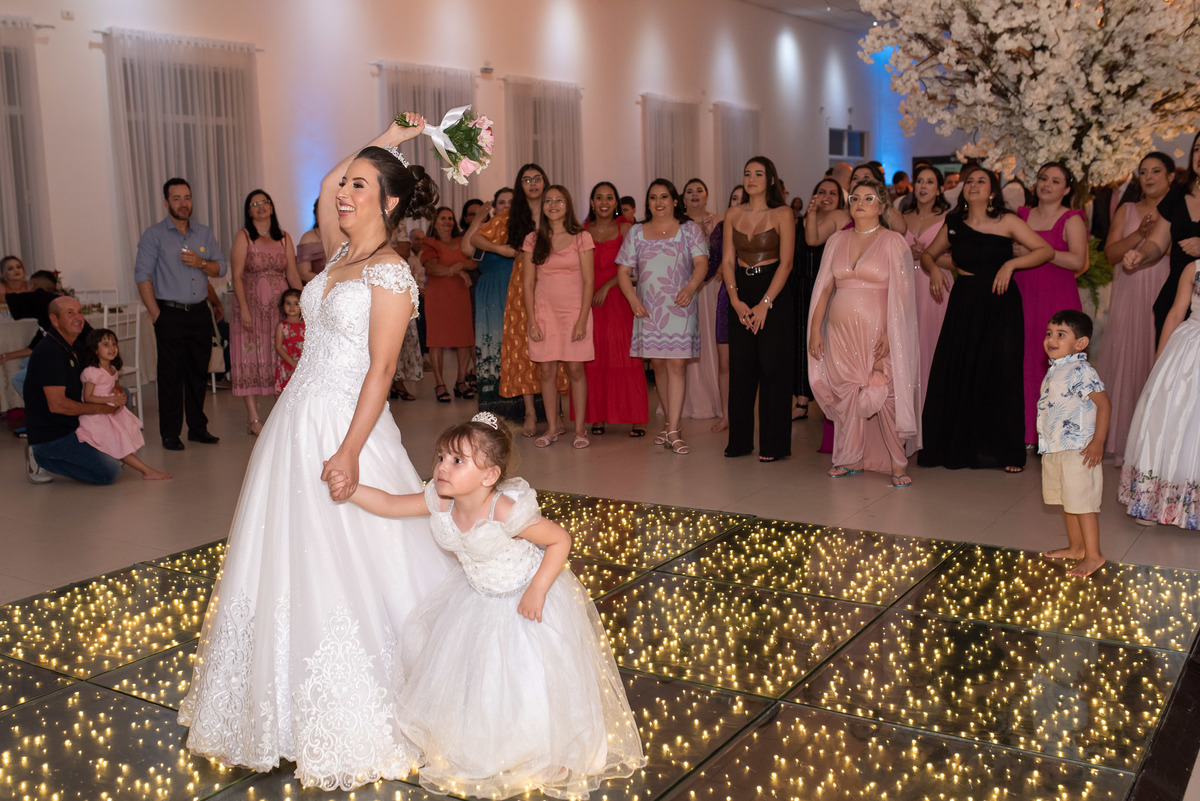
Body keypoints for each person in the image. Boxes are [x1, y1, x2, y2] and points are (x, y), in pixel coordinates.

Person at [178, 116, 456, 791]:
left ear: (387, 203)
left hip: (346, 424)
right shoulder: (336, 257)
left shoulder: (391, 272)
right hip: (295, 421)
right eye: (345, 186)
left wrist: (351, 451)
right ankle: (276, 708)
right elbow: (329, 177)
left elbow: (382, 370)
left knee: (354, 558)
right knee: (284, 557)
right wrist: (389, 133)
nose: (342, 193)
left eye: (360, 187)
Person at [325, 413, 644, 798]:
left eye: (457, 461)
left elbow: (560, 540)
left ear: (489, 476)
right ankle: (487, 740)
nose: (442, 467)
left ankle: (544, 746)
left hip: (526, 599)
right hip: (478, 599)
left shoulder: (505, 510)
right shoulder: (441, 501)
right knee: (483, 677)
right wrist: (351, 489)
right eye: (441, 457)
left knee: (527, 678)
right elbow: (392, 504)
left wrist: (538, 590)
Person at [917, 164, 1053, 472]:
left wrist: (1011, 265)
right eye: (970, 181)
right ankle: (953, 447)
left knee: (1001, 371)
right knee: (959, 369)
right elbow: (927, 254)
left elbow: (1044, 251)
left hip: (1000, 301)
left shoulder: (1007, 220)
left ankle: (1005, 452)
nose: (973, 185)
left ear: (992, 191)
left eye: (982, 181)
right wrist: (936, 268)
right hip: (964, 300)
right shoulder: (953, 222)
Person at [808, 176, 920, 486]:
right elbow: (824, 289)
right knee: (846, 394)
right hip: (839, 332)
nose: (860, 203)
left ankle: (897, 462)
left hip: (878, 330)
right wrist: (815, 330)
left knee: (883, 393)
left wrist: (889, 332)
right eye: (855, 198)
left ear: (883, 206)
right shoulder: (836, 241)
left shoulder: (893, 241)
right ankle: (848, 457)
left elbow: (904, 297)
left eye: (869, 198)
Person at [616, 179, 708, 455]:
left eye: (664, 196)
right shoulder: (636, 232)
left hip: (681, 305)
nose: (658, 202)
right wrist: (632, 300)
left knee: (677, 364)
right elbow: (622, 272)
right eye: (653, 197)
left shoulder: (689, 229)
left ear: (674, 200)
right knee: (658, 364)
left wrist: (691, 288)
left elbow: (701, 263)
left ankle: (674, 430)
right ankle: (670, 422)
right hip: (648, 308)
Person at [134, 177, 226, 450]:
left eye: (187, 198)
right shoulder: (154, 235)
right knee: (171, 376)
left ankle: (198, 428)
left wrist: (201, 263)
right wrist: (156, 315)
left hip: (199, 312)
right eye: (177, 199)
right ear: (166, 203)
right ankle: (170, 434)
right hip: (169, 314)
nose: (183, 204)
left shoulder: (204, 233)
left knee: (198, 373)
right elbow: (142, 275)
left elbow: (220, 268)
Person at [1096, 152, 1174, 463]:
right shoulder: (1126, 210)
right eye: (1143, 172)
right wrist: (1138, 235)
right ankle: (1120, 438)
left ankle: (1157, 443)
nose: (1150, 176)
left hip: (1165, 288)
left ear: (1170, 177)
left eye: (1157, 171)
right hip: (1130, 291)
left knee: (1160, 357)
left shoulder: (1177, 210)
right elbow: (1111, 254)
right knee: (1127, 354)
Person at [720, 157, 795, 462]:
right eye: (747, 173)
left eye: (758, 174)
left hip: (773, 290)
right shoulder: (733, 213)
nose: (751, 178)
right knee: (741, 369)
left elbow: (787, 263)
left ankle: (774, 445)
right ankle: (739, 442)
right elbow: (727, 260)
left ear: (771, 180)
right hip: (740, 288)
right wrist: (736, 301)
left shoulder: (783, 213)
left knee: (773, 369)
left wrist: (765, 304)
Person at [1119, 255, 1200, 530]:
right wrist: (1160, 359)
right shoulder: (1193, 267)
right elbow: (1177, 312)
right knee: (1175, 421)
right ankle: (1155, 500)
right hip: (1190, 349)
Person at [1013, 162, 1088, 446]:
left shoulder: (1071, 219)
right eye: (1043, 178)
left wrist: (1039, 252)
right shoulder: (1021, 216)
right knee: (1023, 361)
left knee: (1055, 364)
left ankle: (1056, 433)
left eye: (1056, 181)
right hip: (1022, 294)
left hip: (1056, 298)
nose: (1047, 184)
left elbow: (1078, 260)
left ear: (1067, 189)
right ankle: (1023, 433)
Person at [1038, 310, 1110, 576]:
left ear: (1080, 344)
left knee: (1083, 503)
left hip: (1078, 449)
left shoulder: (1081, 370)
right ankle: (1077, 548)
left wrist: (1098, 441)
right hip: (1055, 447)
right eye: (1049, 333)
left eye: (1060, 334)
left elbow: (1104, 405)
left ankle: (1094, 555)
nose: (1051, 339)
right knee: (1068, 502)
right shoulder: (1056, 368)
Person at [22, 297, 124, 485]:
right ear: (54, 319)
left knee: (120, 392)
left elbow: (101, 373)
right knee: (110, 472)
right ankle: (41, 457)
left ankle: (97, 449)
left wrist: (116, 390)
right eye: (70, 313)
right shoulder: (49, 352)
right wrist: (103, 409)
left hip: (76, 423)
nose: (78, 318)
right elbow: (58, 404)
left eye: (80, 312)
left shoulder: (75, 345)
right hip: (52, 433)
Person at [523, 185, 595, 449]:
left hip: (575, 312)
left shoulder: (582, 237)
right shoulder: (533, 239)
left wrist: (582, 319)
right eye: (548, 201)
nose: (553, 205)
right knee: (547, 370)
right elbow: (528, 284)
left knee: (576, 369)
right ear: (542, 207)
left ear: (568, 205)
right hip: (544, 313)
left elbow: (589, 281)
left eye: (559, 200)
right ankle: (553, 428)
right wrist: (531, 320)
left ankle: (580, 430)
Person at [231, 189, 302, 435]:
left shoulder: (284, 238)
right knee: (248, 359)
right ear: (249, 211)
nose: (261, 206)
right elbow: (237, 276)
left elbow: (292, 273)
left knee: (277, 358)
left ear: (271, 207)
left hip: (278, 308)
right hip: (249, 306)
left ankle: (279, 415)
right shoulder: (243, 237)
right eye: (255, 203)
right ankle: (253, 419)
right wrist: (244, 309)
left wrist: (305, 303)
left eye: (265, 202)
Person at [583, 181, 647, 438]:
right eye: (599, 197)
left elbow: (630, 266)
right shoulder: (581, 230)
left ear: (616, 202)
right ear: (591, 202)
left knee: (625, 357)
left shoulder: (626, 228)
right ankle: (597, 417)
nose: (604, 202)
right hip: (589, 302)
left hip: (619, 297)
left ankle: (637, 419)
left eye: (609, 197)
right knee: (594, 358)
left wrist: (608, 286)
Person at [77, 328, 172, 480]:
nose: (112, 348)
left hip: (110, 412)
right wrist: (112, 400)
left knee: (123, 438)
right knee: (119, 440)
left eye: (114, 344)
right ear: (95, 349)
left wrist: (118, 393)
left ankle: (119, 458)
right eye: (106, 344)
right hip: (97, 416)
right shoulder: (92, 372)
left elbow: (114, 385)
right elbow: (87, 397)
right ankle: (146, 471)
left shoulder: (112, 369)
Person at [901, 164, 953, 410]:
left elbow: (957, 261)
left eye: (930, 182)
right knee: (907, 350)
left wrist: (927, 255)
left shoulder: (948, 219)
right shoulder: (902, 218)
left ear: (940, 188)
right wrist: (905, 253)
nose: (923, 186)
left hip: (935, 285)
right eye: (920, 181)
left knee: (931, 349)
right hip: (905, 286)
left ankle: (931, 414)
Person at [799, 178, 851, 423]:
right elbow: (811, 238)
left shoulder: (841, 216)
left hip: (838, 290)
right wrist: (810, 212)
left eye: (833, 192)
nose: (827, 196)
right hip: (810, 288)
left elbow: (813, 240)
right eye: (821, 192)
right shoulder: (810, 219)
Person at [464, 187, 516, 410]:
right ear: (495, 207)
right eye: (502, 202)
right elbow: (466, 248)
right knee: (493, 345)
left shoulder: (522, 229)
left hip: (516, 290)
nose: (506, 206)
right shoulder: (485, 231)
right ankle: (495, 404)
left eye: (511, 202)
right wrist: (478, 218)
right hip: (490, 294)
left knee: (515, 346)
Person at [421, 206, 476, 402]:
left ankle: (461, 381)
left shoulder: (462, 241)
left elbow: (474, 262)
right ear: (434, 222)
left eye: (450, 218)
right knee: (436, 340)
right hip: (438, 297)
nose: (447, 222)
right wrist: (457, 270)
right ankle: (439, 383)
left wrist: (461, 266)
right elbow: (432, 268)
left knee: (464, 338)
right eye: (443, 218)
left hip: (460, 295)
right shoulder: (429, 243)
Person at [680, 178, 724, 422]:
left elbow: (729, 252)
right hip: (686, 286)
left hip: (711, 288)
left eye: (699, 190)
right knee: (687, 339)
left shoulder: (718, 220)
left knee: (711, 339)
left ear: (707, 195)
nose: (695, 194)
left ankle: (715, 398)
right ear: (683, 197)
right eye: (690, 191)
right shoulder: (678, 222)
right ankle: (687, 400)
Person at [708, 186, 747, 432]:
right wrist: (689, 286)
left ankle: (746, 414)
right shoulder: (721, 230)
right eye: (734, 198)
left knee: (749, 364)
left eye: (742, 199)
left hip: (754, 295)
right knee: (725, 364)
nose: (738, 202)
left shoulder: (761, 224)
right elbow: (712, 262)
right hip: (726, 300)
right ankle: (726, 415)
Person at [1156, 131, 1200, 341]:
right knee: (1167, 365)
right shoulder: (1178, 193)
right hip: (1174, 295)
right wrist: (1138, 255)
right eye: (1198, 149)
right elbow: (1157, 243)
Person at [273, 288, 304, 393]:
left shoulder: (306, 325)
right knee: (286, 391)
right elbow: (278, 347)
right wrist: (292, 362)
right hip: (287, 362)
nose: (292, 307)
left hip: (302, 363)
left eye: (296, 304)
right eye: (288, 303)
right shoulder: (282, 326)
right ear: (282, 306)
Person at [295, 200, 326, 283]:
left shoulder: (346, 236)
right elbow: (304, 274)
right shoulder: (308, 237)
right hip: (317, 288)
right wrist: (329, 283)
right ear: (315, 214)